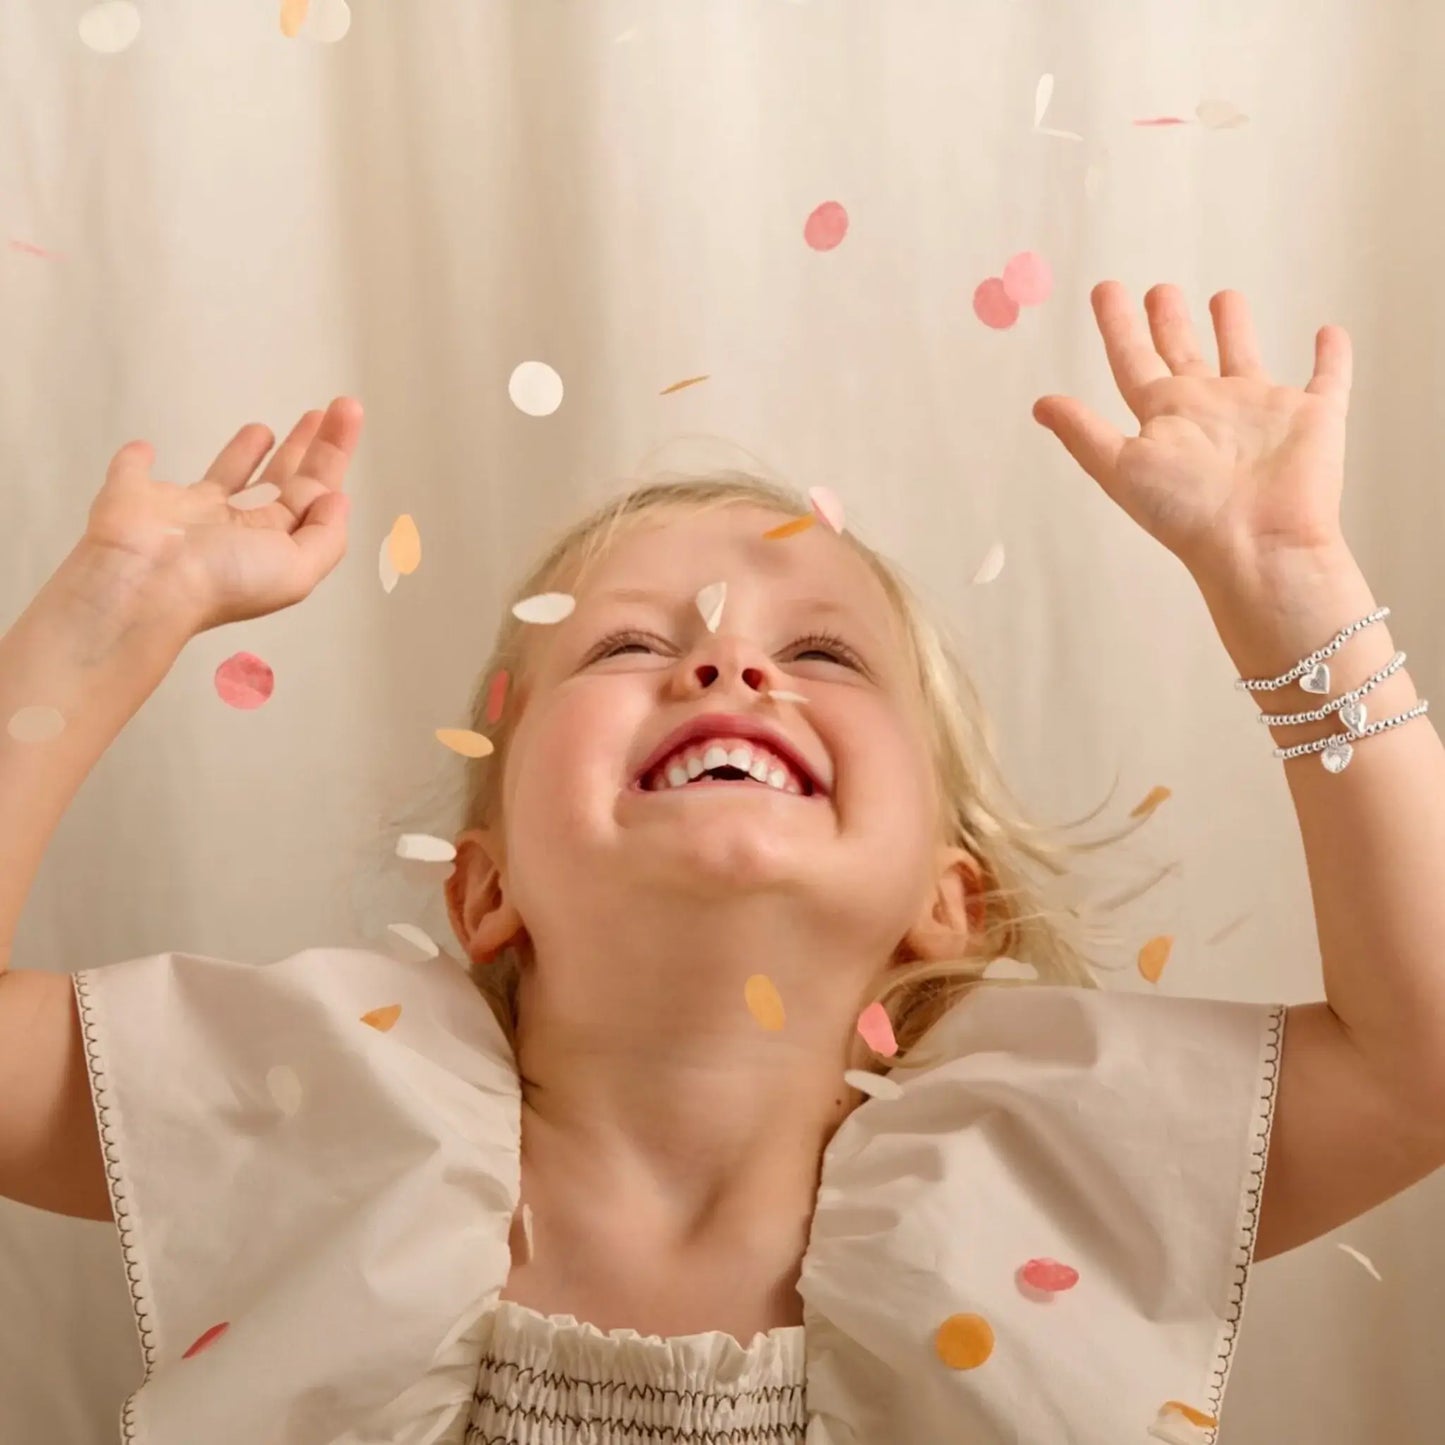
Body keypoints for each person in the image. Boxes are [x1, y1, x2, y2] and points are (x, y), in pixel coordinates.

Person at [2, 283, 1443, 1445]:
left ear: (949, 900)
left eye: (820, 651)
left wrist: (1291, 586)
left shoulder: (1050, 1153)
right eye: (628, 643)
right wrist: (112, 612)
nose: (725, 659)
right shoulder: (332, 1106)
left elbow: (1421, 1056)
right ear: (485, 890)